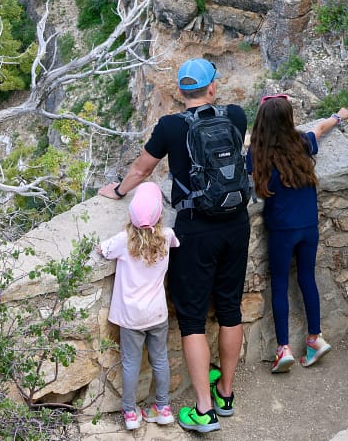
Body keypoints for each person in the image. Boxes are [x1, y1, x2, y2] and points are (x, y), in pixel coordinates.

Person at [99, 58, 250, 434]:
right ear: (212, 88)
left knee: (193, 319)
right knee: (230, 308)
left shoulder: (169, 126)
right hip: (236, 224)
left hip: (195, 230)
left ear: (181, 92)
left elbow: (142, 169)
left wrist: (118, 190)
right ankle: (226, 394)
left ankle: (203, 410)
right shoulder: (235, 115)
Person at [247, 95, 348, 373]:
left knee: (280, 284)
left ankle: (283, 349)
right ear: (289, 119)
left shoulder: (258, 153)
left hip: (281, 228)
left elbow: (250, 175)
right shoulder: (303, 142)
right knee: (307, 279)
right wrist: (338, 116)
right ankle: (315, 339)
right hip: (308, 226)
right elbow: (319, 130)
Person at [97, 182, 180, 430]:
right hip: (157, 314)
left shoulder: (124, 240)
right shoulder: (166, 236)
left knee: (131, 363)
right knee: (160, 359)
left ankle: (131, 413)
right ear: (159, 216)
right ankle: (163, 408)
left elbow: (104, 249)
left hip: (131, 317)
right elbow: (175, 241)